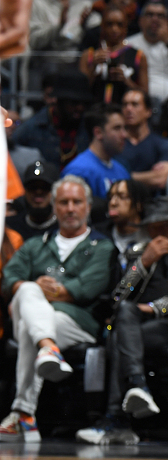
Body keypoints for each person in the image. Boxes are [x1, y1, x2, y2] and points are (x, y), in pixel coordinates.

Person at [76, 198, 168, 445]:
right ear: (147, 229)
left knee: (120, 336)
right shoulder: (137, 253)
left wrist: (156, 308)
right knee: (125, 315)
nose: (163, 232)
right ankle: (137, 388)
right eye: (156, 227)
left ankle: (117, 417)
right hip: (136, 322)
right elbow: (118, 298)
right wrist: (144, 263)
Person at [0, 176, 116, 442]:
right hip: (44, 321)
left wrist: (35, 289)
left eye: (77, 202)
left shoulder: (102, 247)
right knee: (27, 291)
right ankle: (49, 348)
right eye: (64, 202)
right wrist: (28, 287)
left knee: (31, 313)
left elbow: (86, 289)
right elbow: (8, 280)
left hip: (78, 324)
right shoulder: (35, 244)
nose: (70, 208)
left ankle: (24, 414)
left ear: (88, 207)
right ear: (54, 207)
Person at [11, 69, 93, 168]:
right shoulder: (32, 127)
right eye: (73, 103)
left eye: (84, 104)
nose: (80, 108)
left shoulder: (89, 126)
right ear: (59, 101)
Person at [79, 7, 148, 104]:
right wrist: (93, 67)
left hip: (123, 111)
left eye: (120, 25)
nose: (114, 29)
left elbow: (145, 94)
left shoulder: (138, 55)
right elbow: (79, 90)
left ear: (126, 27)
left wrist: (126, 81)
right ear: (102, 26)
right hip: (93, 110)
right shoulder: (89, 54)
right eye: (109, 24)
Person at [63, 104, 131, 200]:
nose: (124, 135)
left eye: (125, 128)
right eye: (117, 128)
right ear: (98, 133)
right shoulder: (78, 171)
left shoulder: (122, 171)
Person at [29, 0, 94, 61]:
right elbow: (33, 41)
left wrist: (84, 27)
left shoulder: (85, 5)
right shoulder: (38, 4)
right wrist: (59, 26)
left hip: (76, 60)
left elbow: (96, 37)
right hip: (44, 61)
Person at [119, 90, 168, 192]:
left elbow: (160, 179)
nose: (128, 109)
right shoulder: (115, 143)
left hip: (151, 203)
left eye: (135, 104)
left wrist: (123, 176)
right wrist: (148, 176)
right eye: (125, 105)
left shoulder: (162, 144)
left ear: (148, 111)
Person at [96, 178, 150, 268]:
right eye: (110, 197)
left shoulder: (151, 236)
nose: (113, 203)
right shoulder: (100, 236)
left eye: (122, 196)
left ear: (139, 204)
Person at [8, 161, 60, 241]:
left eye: (45, 187)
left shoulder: (65, 227)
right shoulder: (10, 227)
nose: (38, 192)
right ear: (25, 191)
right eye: (33, 187)